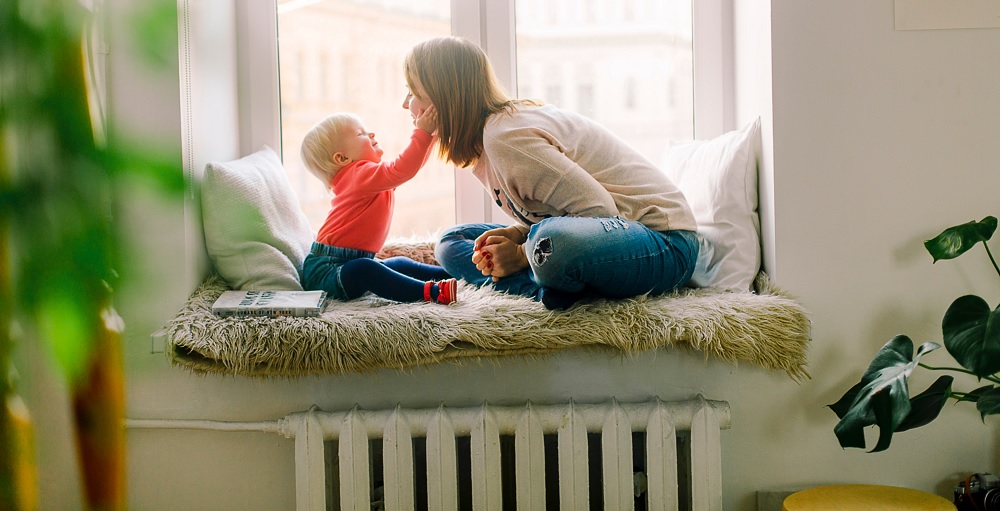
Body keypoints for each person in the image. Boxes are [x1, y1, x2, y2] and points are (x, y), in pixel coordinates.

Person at [402, 36, 699, 310]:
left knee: (550, 243)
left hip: (664, 243)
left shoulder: (505, 138)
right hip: (604, 236)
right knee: (452, 241)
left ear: (445, 99)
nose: (406, 104)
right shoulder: (486, 144)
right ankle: (550, 289)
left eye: (414, 92)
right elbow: (559, 215)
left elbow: (600, 211)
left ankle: (547, 281)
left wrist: (519, 254)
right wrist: (520, 236)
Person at [299, 108, 458, 304]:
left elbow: (410, 168)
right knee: (366, 269)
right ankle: (431, 292)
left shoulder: (367, 178)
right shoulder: (358, 175)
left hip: (347, 262)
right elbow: (403, 168)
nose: (371, 134)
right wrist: (423, 133)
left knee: (398, 263)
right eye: (361, 134)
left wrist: (431, 136)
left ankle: (453, 274)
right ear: (342, 158)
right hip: (326, 271)